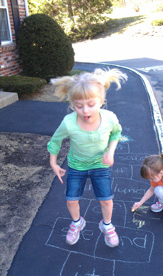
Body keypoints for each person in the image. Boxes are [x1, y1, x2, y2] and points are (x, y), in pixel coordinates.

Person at [47, 68, 127, 246]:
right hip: (76, 166)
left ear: (101, 101)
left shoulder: (109, 118)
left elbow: (116, 133)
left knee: (106, 200)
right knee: (71, 200)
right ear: (72, 104)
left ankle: (106, 225)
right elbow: (55, 141)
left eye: (91, 104)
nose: (84, 110)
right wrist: (53, 162)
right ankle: (77, 222)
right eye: (78, 105)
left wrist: (111, 151)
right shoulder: (69, 122)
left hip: (100, 165)